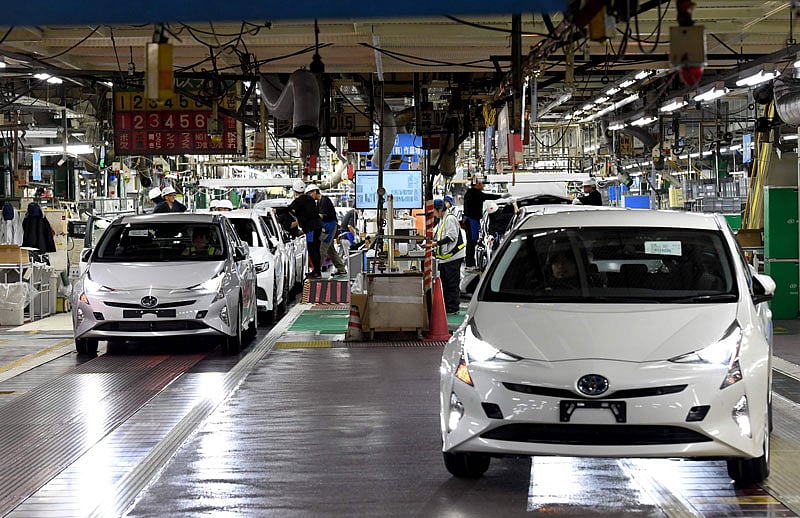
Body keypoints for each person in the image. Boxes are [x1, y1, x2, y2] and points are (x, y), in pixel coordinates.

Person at [429, 198, 465, 315]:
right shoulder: (442, 219)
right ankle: (449, 307)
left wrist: (436, 243)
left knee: (451, 283)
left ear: (439, 210)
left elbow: (451, 237)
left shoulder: (449, 219)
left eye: (434, 211)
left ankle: (453, 308)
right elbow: (437, 233)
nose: (434, 214)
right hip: (446, 258)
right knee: (446, 282)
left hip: (453, 257)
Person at [462, 178, 502, 270]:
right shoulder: (475, 193)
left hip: (470, 220)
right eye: (481, 183)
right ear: (477, 184)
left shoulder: (470, 193)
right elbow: (488, 196)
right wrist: (501, 196)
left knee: (471, 242)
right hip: (472, 221)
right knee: (471, 242)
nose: (482, 185)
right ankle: (469, 264)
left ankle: (470, 264)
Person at [307, 184, 347, 276]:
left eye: (310, 194)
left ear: (315, 192)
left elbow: (320, 216)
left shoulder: (324, 200)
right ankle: (341, 269)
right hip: (326, 227)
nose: (309, 196)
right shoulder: (318, 202)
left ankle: (316, 271)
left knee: (322, 249)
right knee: (331, 250)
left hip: (329, 227)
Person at [288, 180, 324, 279]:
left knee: (312, 249)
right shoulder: (309, 199)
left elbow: (290, 209)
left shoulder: (299, 200)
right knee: (315, 249)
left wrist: (276, 210)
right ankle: (317, 271)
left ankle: (316, 272)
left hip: (311, 229)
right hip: (316, 227)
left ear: (295, 191)